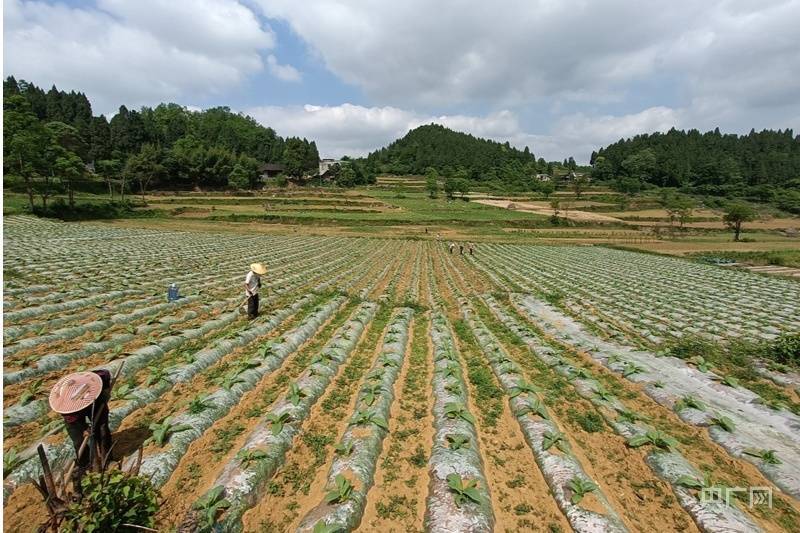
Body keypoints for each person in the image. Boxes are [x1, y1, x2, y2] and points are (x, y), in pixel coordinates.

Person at [49, 370, 112, 493]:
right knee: (78, 441)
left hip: (95, 401)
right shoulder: (65, 405)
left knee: (102, 430)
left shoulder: (96, 379)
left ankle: (107, 458)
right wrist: (84, 429)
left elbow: (106, 374)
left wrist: (105, 391)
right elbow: (76, 425)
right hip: (75, 414)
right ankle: (85, 465)